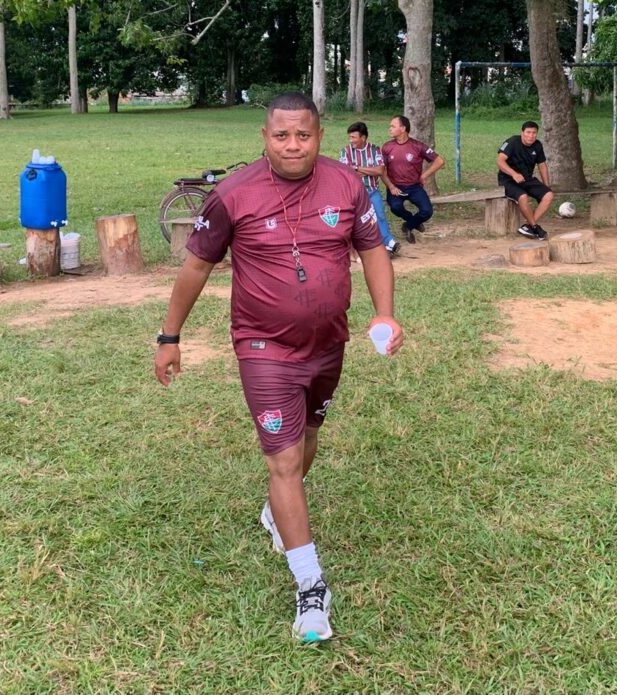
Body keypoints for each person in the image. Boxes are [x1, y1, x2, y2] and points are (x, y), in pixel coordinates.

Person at [154, 92, 403, 643]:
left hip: (328, 343)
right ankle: (311, 587)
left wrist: (384, 312)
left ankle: (277, 512)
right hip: (263, 347)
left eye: (303, 135)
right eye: (282, 135)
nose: (293, 145)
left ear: (319, 136)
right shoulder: (232, 195)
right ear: (265, 138)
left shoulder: (346, 184)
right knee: (285, 460)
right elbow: (196, 268)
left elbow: (372, 250)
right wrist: (170, 336)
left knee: (309, 436)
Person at [340, 121, 401, 258]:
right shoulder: (346, 151)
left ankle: (389, 243)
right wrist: (368, 170)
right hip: (354, 194)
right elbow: (346, 173)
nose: (351, 140)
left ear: (363, 138)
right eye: (350, 137)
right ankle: (357, 248)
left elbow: (380, 171)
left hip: (372, 191)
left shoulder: (375, 149)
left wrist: (357, 168)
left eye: (353, 137)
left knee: (380, 216)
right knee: (356, 221)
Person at [382, 115, 445, 244]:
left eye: (393, 126)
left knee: (427, 211)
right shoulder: (387, 147)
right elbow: (381, 170)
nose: (390, 129)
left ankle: (408, 225)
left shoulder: (418, 146)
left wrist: (424, 176)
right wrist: (391, 187)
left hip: (414, 187)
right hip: (395, 187)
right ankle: (412, 220)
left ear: (403, 128)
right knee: (395, 207)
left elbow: (439, 161)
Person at [496, 121, 554, 240]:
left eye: (534, 133)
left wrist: (546, 185)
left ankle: (528, 226)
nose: (531, 136)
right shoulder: (512, 142)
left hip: (526, 179)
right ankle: (535, 227)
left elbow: (542, 165)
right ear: (522, 133)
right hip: (507, 179)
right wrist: (514, 174)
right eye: (528, 132)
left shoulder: (537, 145)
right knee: (523, 197)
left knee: (548, 195)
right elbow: (500, 161)